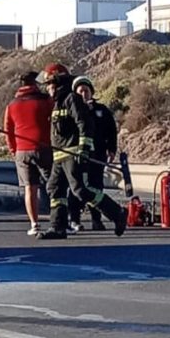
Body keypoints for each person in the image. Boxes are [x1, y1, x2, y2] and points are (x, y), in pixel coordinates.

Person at [38, 64, 126, 240]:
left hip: (72, 154)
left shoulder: (72, 99)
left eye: (51, 85)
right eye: (47, 86)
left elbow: (85, 124)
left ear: (59, 83)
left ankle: (117, 213)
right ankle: (58, 227)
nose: (48, 89)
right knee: (55, 190)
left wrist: (84, 149)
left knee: (81, 190)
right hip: (59, 156)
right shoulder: (57, 104)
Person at [3, 71, 53, 236]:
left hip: (22, 151)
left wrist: (13, 149)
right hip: (44, 147)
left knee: (29, 188)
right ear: (35, 83)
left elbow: (8, 131)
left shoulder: (12, 105)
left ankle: (34, 224)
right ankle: (58, 220)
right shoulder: (46, 101)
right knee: (53, 185)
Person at [72, 76, 117, 231]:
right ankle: (75, 219)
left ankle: (96, 219)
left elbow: (111, 131)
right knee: (79, 188)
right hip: (78, 155)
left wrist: (112, 149)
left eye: (86, 91)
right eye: (80, 91)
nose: (84, 94)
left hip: (97, 155)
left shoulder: (102, 110)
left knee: (97, 187)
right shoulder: (73, 111)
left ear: (91, 92)